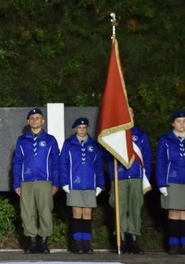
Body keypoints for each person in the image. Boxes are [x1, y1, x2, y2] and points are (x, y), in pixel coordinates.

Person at [102, 107, 152, 254]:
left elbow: (147, 157)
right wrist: (111, 149)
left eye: (129, 113)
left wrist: (146, 176)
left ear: (133, 115)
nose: (127, 115)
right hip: (119, 176)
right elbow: (103, 157)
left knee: (135, 208)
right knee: (120, 209)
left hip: (136, 176)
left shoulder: (140, 134)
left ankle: (134, 240)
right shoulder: (113, 136)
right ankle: (122, 239)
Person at [12, 107, 59, 254]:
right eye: (32, 118)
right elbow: (17, 162)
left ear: (42, 121)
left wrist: (56, 182)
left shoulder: (50, 140)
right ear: (28, 121)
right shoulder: (22, 140)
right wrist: (16, 182)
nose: (34, 120)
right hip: (26, 181)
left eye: (37, 118)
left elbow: (55, 162)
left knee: (45, 212)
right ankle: (31, 242)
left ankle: (43, 242)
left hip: (44, 181)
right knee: (27, 212)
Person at [60, 117, 105, 254]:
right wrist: (64, 182)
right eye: (79, 128)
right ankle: (77, 243)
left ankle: (87, 243)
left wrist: (100, 184)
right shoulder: (69, 144)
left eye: (84, 127)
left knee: (87, 213)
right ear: (75, 129)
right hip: (75, 183)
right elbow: (63, 164)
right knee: (77, 213)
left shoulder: (93, 144)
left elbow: (98, 166)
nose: (82, 130)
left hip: (90, 184)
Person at [156, 109, 185, 255]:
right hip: (172, 179)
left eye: (184, 121)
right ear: (173, 123)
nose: (182, 124)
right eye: (179, 121)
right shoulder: (166, 140)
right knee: (174, 212)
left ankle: (183, 243)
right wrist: (161, 183)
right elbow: (160, 162)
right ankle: (173, 244)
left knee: (184, 213)